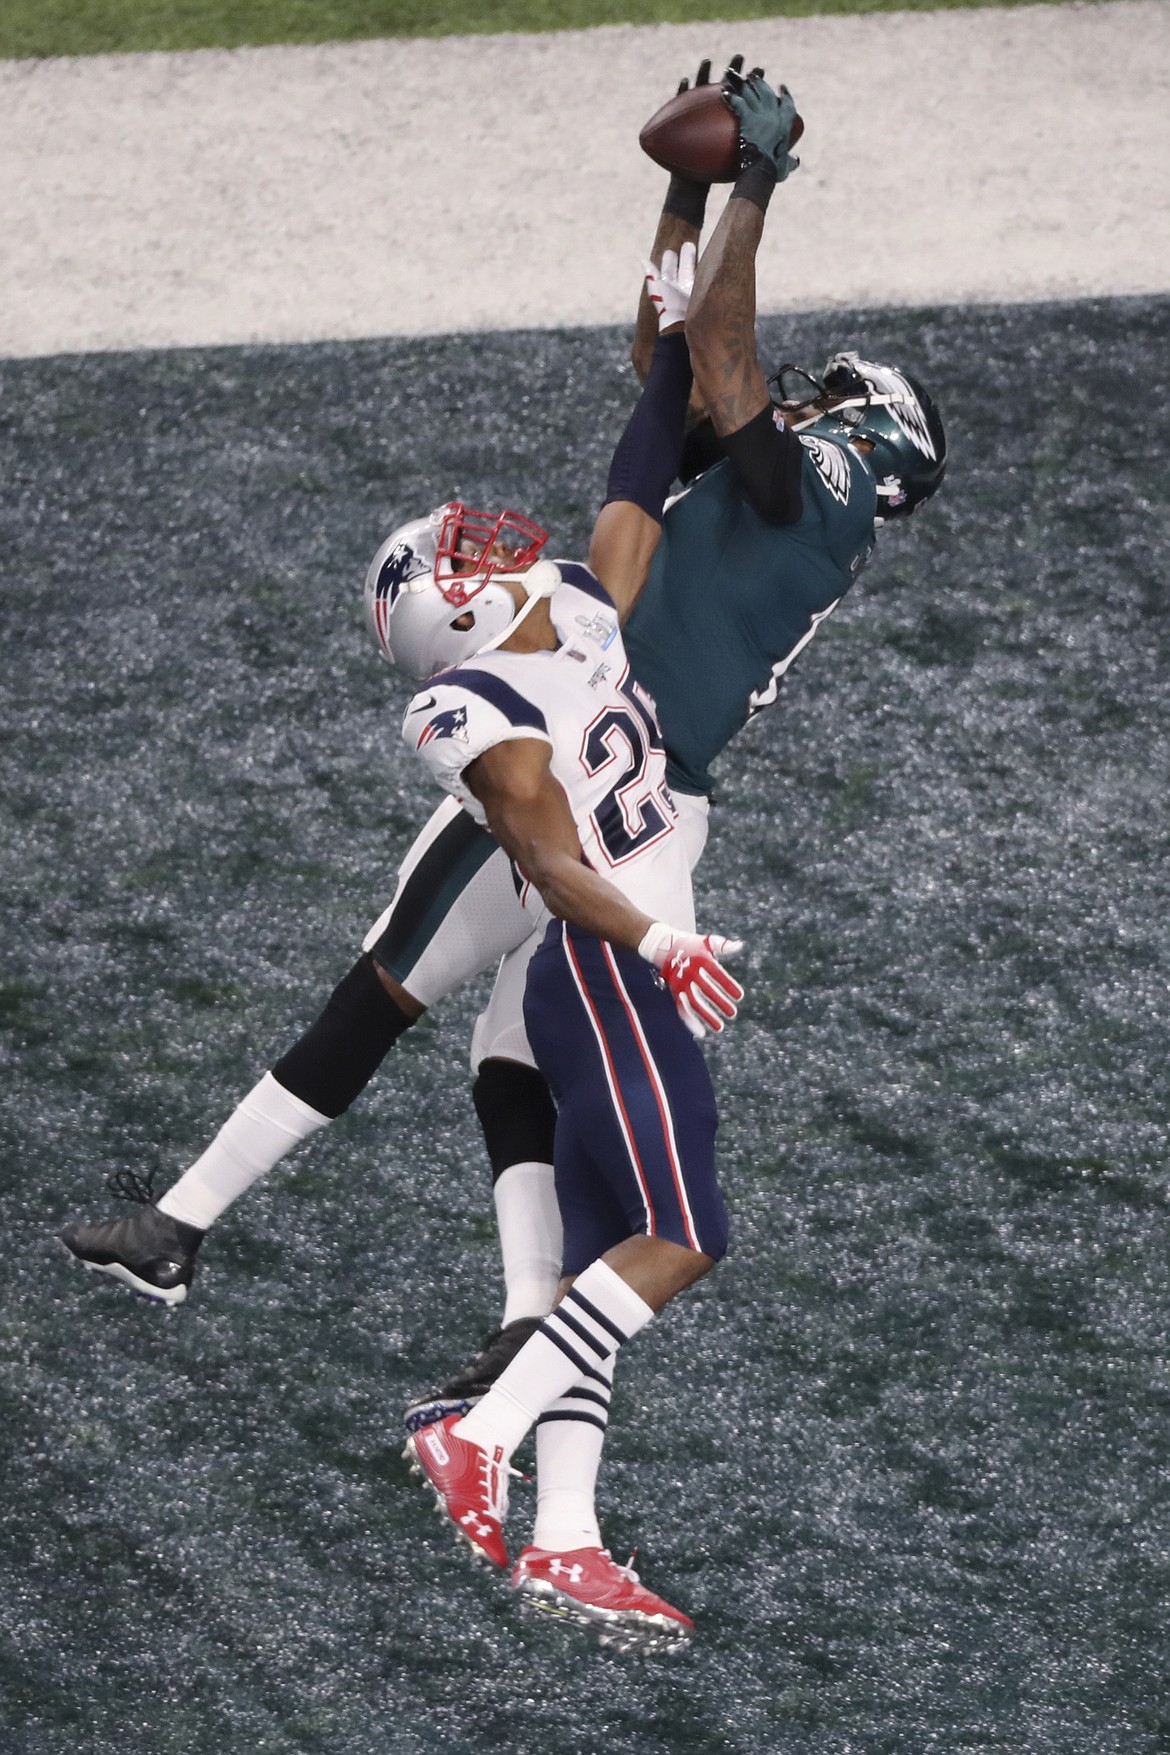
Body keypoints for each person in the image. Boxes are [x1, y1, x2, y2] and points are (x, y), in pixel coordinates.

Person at [61, 66, 945, 1422]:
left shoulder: (825, 490)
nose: (806, 393)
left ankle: (181, 1232)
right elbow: (665, 368)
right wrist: (678, 194)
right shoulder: (780, 507)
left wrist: (750, 186)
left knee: (387, 983)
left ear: (869, 431)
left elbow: (709, 357)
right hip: (642, 775)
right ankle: (525, 1321)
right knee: (503, 1048)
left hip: (586, 755)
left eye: (832, 393)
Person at [390, 257, 744, 1644]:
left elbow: (638, 476)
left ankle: (567, 1536)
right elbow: (544, 864)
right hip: (604, 970)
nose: (490, 550)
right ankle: (477, 1430)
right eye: (463, 563)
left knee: (607, 1243)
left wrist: (668, 333)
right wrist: (661, 939)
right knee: (681, 1235)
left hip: (625, 966)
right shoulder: (470, 709)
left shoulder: (583, 610)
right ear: (454, 617)